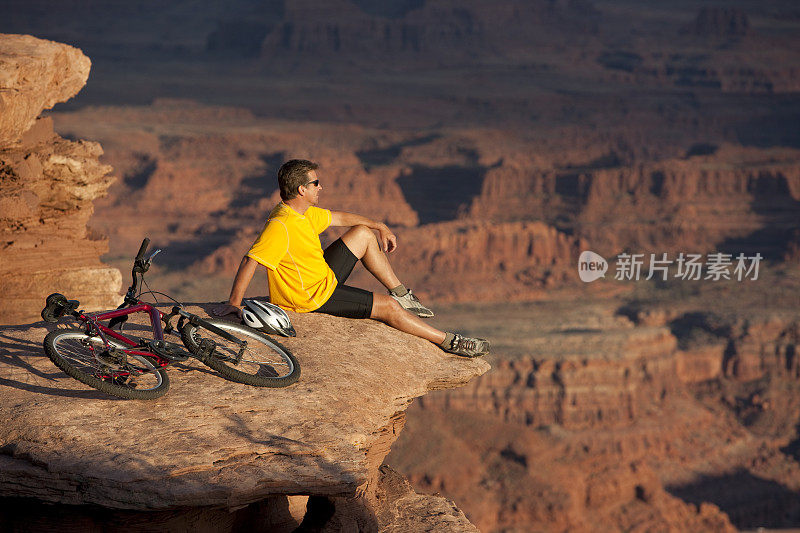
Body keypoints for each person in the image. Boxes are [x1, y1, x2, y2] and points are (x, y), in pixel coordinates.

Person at [212, 159, 489, 357]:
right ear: (302, 190)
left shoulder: (302, 212)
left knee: (362, 233)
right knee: (389, 308)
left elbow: (340, 218)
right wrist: (234, 303)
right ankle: (449, 341)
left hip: (321, 275)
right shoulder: (281, 225)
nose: (321, 187)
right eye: (316, 183)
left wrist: (379, 225)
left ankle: (403, 293)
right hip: (311, 296)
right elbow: (251, 260)